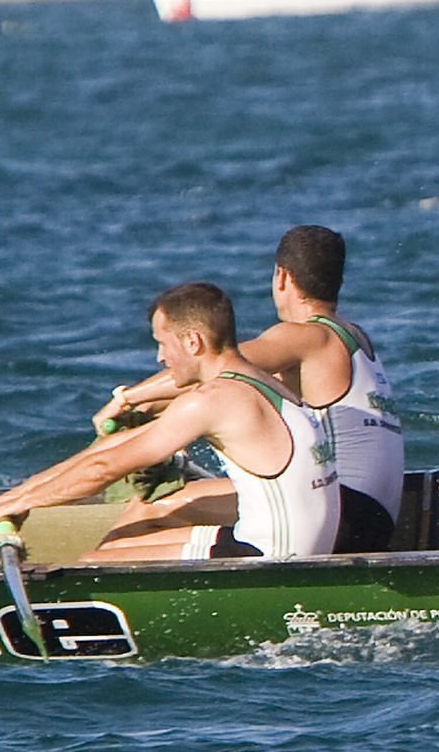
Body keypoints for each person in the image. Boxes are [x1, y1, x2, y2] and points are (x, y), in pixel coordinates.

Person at [96, 225, 404, 552]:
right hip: (374, 516)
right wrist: (160, 409)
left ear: (282, 277)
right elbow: (233, 390)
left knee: (152, 508)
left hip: (345, 514)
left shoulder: (307, 336)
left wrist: (129, 400)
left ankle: (97, 567)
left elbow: (216, 366)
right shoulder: (354, 335)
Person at [0, 282, 339, 561]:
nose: (160, 357)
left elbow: (105, 469)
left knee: (94, 565)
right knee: (120, 545)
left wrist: (23, 504)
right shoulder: (262, 382)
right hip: (291, 542)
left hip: (274, 557)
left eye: (162, 343)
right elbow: (122, 447)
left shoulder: (211, 400)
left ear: (193, 341)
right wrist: (26, 490)